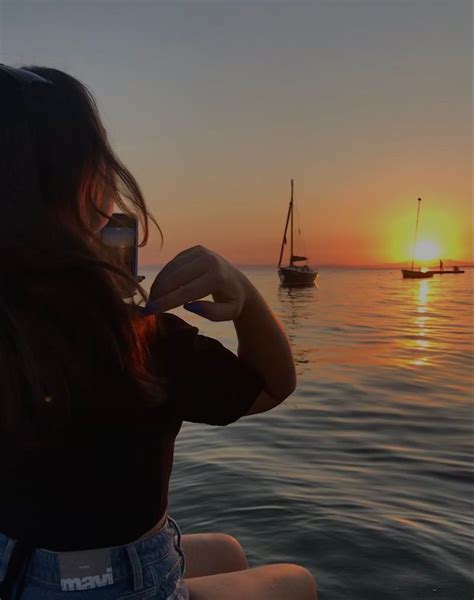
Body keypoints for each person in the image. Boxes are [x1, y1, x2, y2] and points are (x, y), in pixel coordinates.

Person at [0, 64, 317, 600]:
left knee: (227, 551)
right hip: (116, 584)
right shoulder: (140, 341)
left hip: (17, 566)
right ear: (87, 188)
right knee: (296, 582)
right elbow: (272, 385)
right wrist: (240, 288)